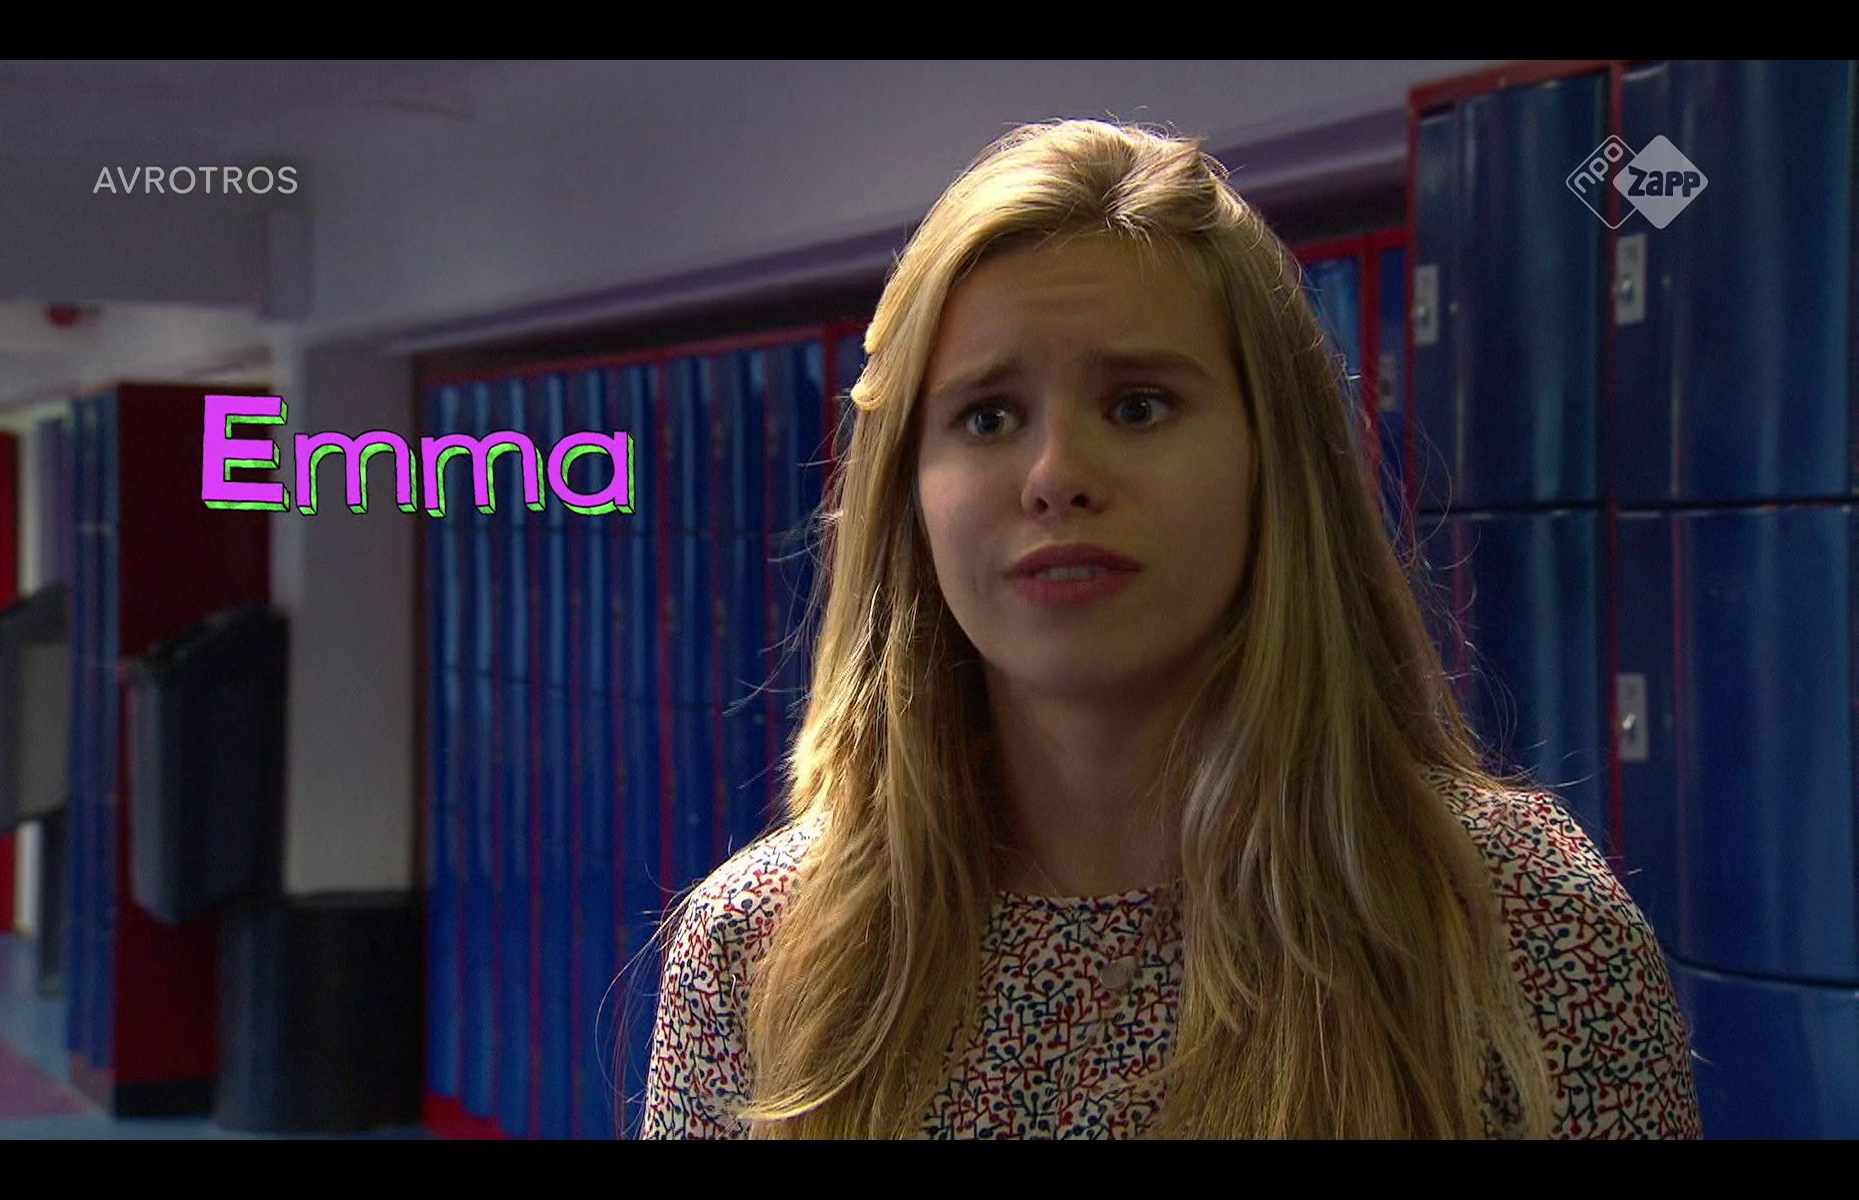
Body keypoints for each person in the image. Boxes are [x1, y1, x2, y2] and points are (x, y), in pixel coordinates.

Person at [638, 118, 1702, 1139]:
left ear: (1272, 460)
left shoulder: (1522, 934)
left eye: (1138, 405)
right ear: (909, 494)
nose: (1057, 475)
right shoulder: (758, 952)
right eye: (988, 416)